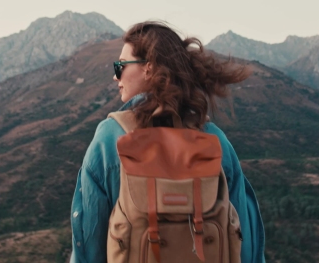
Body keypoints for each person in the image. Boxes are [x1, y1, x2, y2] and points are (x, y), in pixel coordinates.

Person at [69, 21, 266, 262]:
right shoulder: (216, 142)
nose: (115, 76)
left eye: (120, 66)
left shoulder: (109, 140)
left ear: (148, 68)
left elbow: (88, 244)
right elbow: (246, 245)